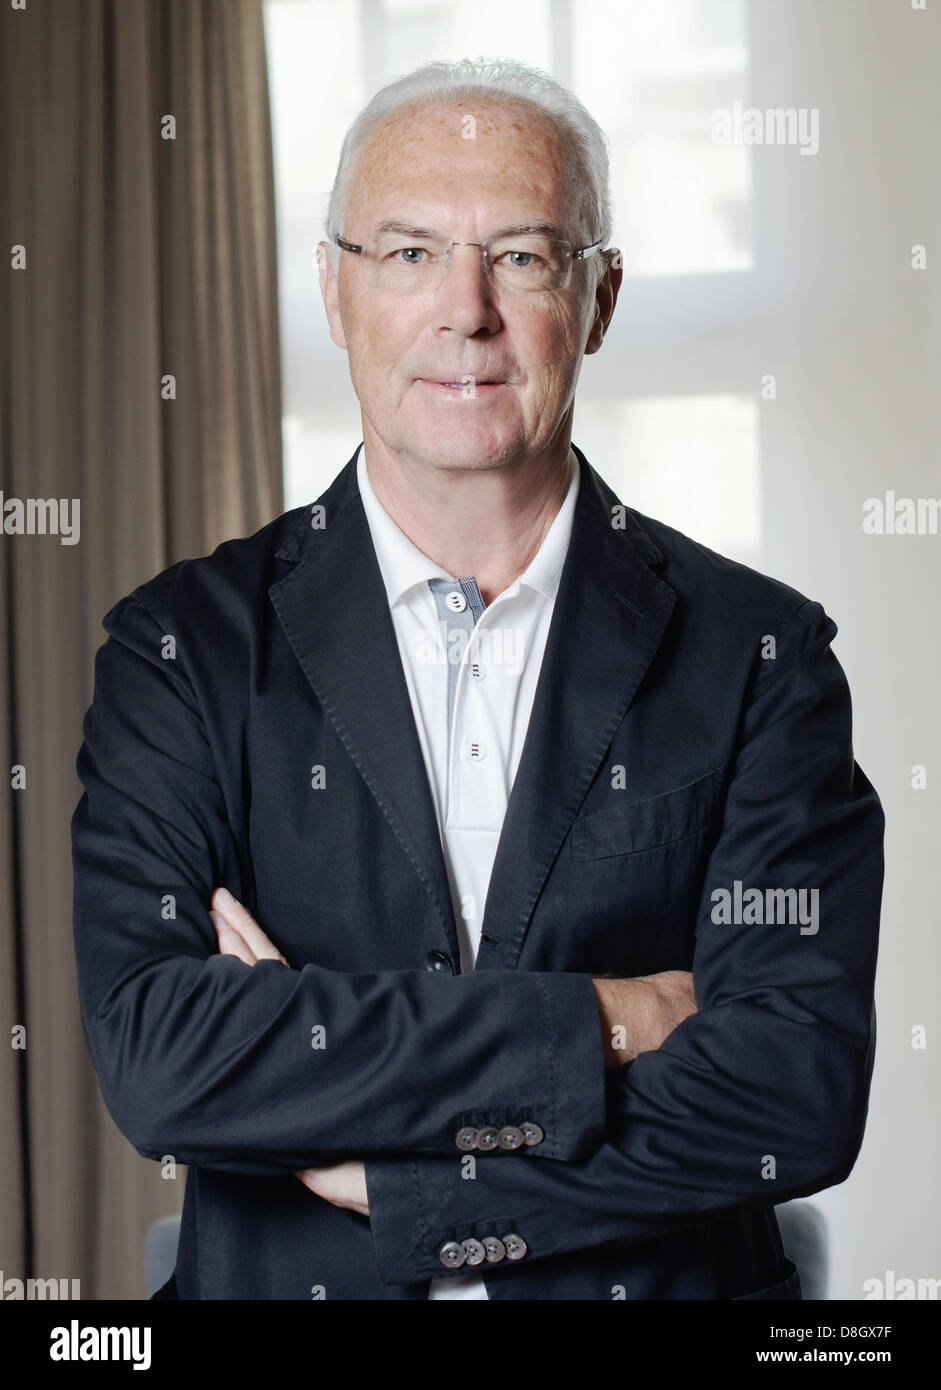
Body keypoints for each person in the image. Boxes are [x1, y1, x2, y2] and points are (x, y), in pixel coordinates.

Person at [72, 57, 884, 1301]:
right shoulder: (178, 651)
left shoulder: (758, 656)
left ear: (598, 297)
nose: (465, 310)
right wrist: (607, 1022)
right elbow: (162, 1058)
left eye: (519, 254)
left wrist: (399, 1178)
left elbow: (790, 1092)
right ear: (336, 293)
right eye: (405, 253)